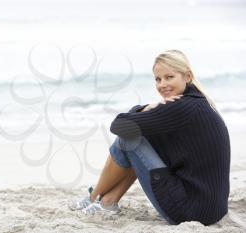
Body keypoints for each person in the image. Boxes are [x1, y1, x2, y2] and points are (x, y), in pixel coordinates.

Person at [68, 49, 231, 226]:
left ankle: (94, 198)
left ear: (188, 76)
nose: (162, 84)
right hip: (212, 209)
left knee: (129, 139)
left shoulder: (180, 107)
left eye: (169, 77)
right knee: (144, 136)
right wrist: (150, 108)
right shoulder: (197, 102)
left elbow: (119, 125)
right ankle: (107, 202)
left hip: (189, 211)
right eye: (158, 79)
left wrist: (145, 108)